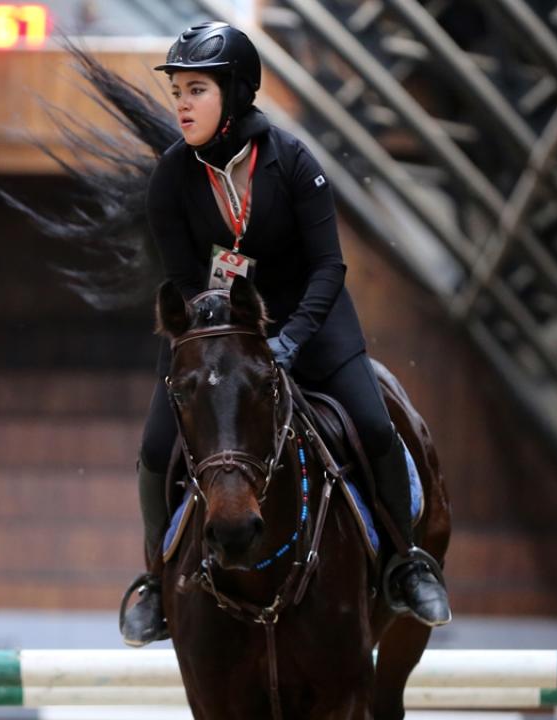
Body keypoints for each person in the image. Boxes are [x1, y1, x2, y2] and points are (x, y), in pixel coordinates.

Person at [120, 21, 451, 647]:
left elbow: (330, 265)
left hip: (312, 321)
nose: (182, 104)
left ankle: (405, 561)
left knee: (374, 424)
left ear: (237, 94)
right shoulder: (171, 178)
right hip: (221, 334)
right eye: (178, 92)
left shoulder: (293, 162)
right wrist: (226, 343)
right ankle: (155, 582)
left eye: (197, 90)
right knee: (156, 448)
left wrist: (290, 341)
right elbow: (188, 282)